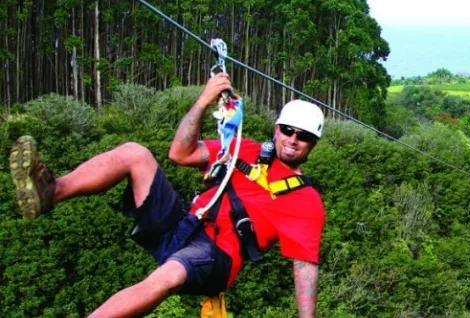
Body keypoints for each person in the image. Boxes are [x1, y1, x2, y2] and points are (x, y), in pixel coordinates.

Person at [8, 73, 325, 317]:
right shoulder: (244, 148)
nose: (294, 140)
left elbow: (305, 267)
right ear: (277, 128)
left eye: (305, 136)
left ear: (312, 144)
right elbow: (180, 153)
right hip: (185, 225)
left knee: (167, 275)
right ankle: (52, 191)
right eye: (288, 130)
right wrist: (203, 101)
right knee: (134, 153)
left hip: (218, 257)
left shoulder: (306, 200)